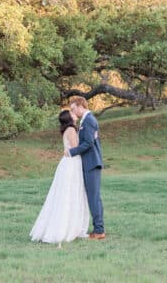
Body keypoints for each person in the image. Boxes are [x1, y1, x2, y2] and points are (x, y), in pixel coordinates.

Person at [29, 110, 90, 247]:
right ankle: (66, 228)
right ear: (69, 118)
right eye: (72, 113)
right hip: (72, 163)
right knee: (70, 193)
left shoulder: (67, 130)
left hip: (67, 162)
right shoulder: (71, 130)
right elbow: (75, 148)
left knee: (64, 194)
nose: (74, 114)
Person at [66, 96, 105, 239]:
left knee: (94, 198)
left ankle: (99, 230)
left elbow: (88, 143)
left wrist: (71, 152)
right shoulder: (86, 120)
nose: (73, 112)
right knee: (92, 197)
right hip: (88, 163)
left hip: (92, 163)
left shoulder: (89, 120)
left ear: (80, 105)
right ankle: (98, 228)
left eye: (73, 109)